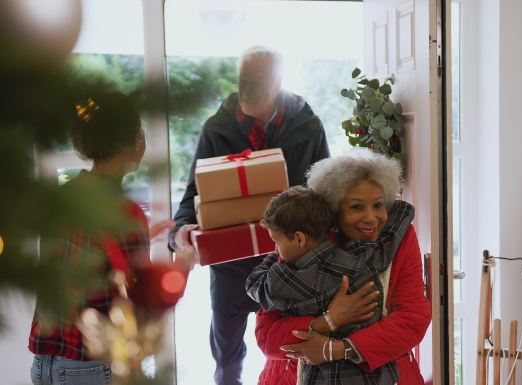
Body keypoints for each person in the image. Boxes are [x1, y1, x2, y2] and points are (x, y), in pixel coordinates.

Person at [169, 46, 330, 385]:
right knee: (227, 358)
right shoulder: (218, 128)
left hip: (289, 263)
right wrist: (182, 231)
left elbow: (323, 194)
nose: (245, 90)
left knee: (291, 351)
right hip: (231, 267)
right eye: (242, 79)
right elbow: (192, 195)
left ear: (277, 83)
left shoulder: (308, 126)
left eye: (256, 81)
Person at [27, 91, 191, 385]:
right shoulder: (124, 214)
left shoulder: (66, 197)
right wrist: (185, 263)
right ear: (135, 141)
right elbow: (140, 306)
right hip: (90, 366)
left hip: (44, 362)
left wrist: (140, 238)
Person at [254, 148, 431, 385]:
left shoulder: (399, 237)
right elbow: (267, 335)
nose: (371, 217)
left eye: (378, 205)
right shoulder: (305, 238)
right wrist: (328, 321)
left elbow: (412, 319)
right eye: (357, 207)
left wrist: (336, 349)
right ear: (334, 211)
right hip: (298, 375)